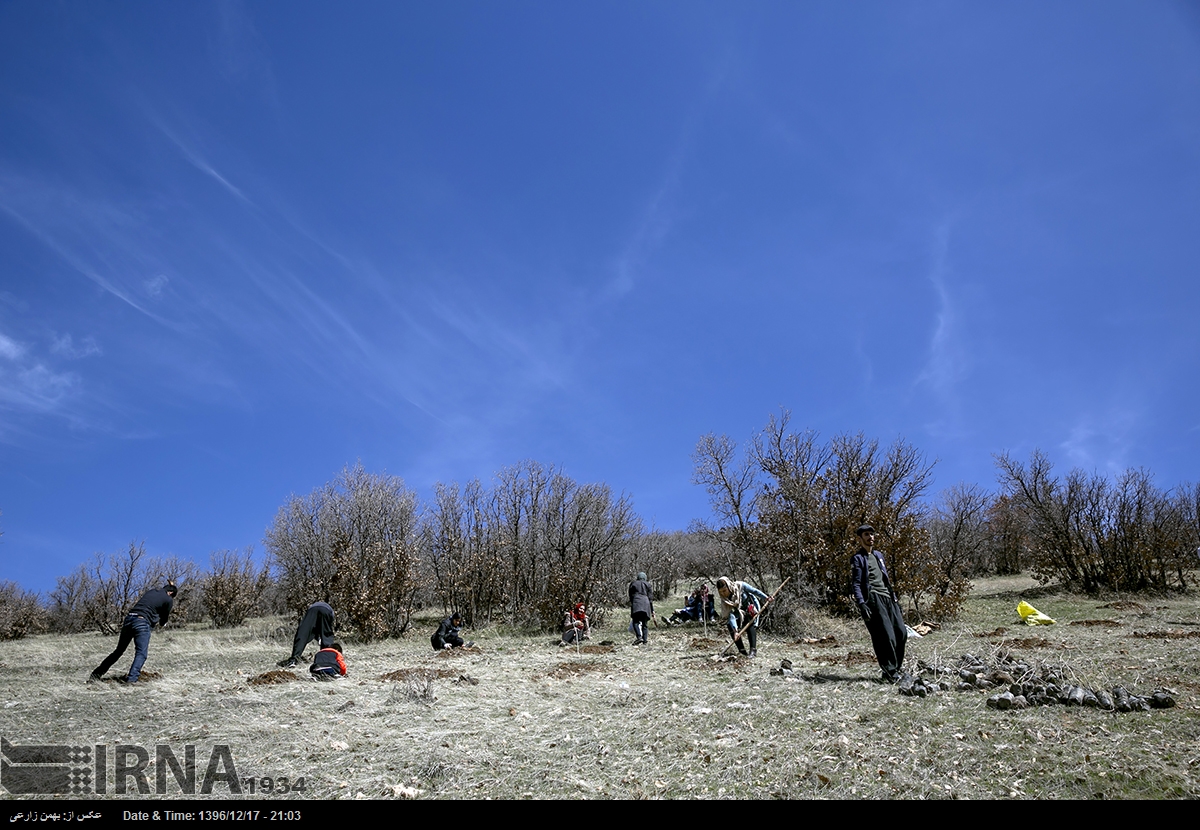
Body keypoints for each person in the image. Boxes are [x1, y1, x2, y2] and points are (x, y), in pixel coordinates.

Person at [850, 524, 907, 683]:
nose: (871, 537)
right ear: (860, 539)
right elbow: (856, 583)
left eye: (872, 534)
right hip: (873, 599)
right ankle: (890, 672)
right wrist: (862, 603)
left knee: (901, 633)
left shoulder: (879, 556)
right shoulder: (858, 558)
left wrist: (895, 599)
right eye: (866, 535)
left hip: (889, 598)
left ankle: (895, 668)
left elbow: (885, 579)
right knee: (886, 637)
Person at [90, 582, 177, 683]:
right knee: (141, 653)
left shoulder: (152, 591)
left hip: (129, 619)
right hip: (142, 622)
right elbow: (164, 619)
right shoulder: (168, 599)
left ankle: (95, 675)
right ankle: (132, 679)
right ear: (170, 593)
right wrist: (163, 624)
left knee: (118, 651)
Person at [715, 576, 768, 657]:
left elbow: (754, 591)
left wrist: (766, 598)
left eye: (724, 590)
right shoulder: (725, 601)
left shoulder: (740, 586)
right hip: (737, 614)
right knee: (730, 626)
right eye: (721, 592)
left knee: (749, 621)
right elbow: (730, 615)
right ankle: (742, 651)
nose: (723, 593)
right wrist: (736, 631)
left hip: (749, 609)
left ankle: (753, 650)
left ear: (729, 586)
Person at [278, 601, 336, 669]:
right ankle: (326, 660)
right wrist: (322, 638)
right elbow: (323, 630)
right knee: (327, 636)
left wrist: (318, 637)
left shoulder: (314, 606)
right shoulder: (330, 611)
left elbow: (313, 629)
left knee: (302, 634)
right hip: (325, 611)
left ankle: (293, 660)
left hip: (312, 611)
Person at [628, 572, 654, 645]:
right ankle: (645, 641)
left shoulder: (633, 583)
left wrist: (632, 602)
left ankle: (639, 637)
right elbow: (651, 598)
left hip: (636, 603)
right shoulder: (648, 584)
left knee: (635, 622)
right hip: (646, 604)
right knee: (644, 624)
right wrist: (652, 610)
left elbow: (630, 595)